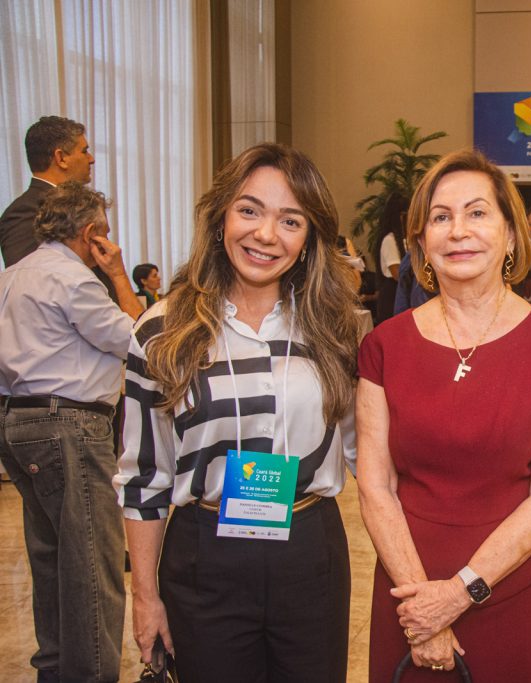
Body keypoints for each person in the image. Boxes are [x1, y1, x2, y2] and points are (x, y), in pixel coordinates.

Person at [114, 143, 363, 682]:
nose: (266, 234)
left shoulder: (335, 328)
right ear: (220, 216)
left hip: (310, 550)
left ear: (310, 238)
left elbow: (367, 454)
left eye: (290, 220)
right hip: (205, 556)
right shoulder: (162, 330)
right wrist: (145, 598)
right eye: (249, 210)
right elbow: (144, 477)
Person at [357, 148, 531, 681]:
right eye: (441, 217)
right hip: (408, 589)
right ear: (422, 242)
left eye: (477, 213)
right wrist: (423, 606)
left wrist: (459, 593)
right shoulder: (384, 346)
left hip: (517, 586)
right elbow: (375, 487)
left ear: (510, 235)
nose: (458, 230)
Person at [0, 181, 142, 683]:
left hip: (18, 420)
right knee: (92, 562)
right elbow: (140, 341)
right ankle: (90, 674)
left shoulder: (12, 275)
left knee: (51, 558)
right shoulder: (74, 280)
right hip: (70, 425)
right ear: (90, 234)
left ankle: (54, 669)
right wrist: (118, 274)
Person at [1, 115, 95, 266]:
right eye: (84, 151)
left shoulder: (78, 205)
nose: (91, 159)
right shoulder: (26, 211)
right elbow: (27, 273)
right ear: (61, 158)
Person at [375, 192, 409, 323]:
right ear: (400, 217)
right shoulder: (390, 240)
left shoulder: (404, 240)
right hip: (392, 295)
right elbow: (396, 274)